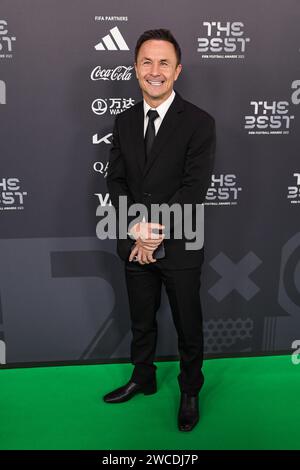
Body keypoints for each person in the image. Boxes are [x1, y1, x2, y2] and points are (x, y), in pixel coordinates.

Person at [104, 29, 216, 432]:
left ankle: (189, 390)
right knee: (141, 318)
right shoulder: (124, 121)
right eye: (146, 62)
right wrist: (137, 229)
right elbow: (115, 182)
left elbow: (193, 187)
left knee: (188, 321)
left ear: (178, 70)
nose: (155, 71)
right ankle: (143, 377)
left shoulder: (200, 123)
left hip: (182, 241)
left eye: (163, 63)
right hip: (135, 242)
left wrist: (157, 231)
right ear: (135, 69)